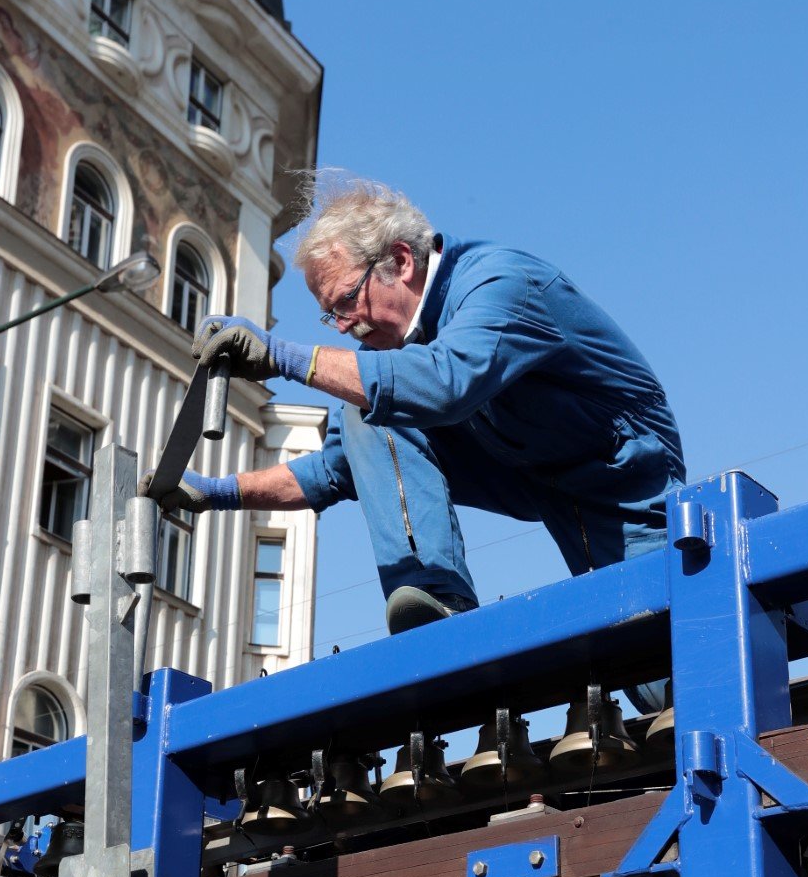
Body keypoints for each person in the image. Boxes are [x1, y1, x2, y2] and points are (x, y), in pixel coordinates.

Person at [146, 174, 684, 641]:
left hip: (624, 489)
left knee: (666, 666)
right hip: (547, 484)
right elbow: (336, 471)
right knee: (369, 406)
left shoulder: (501, 284)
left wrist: (283, 357)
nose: (344, 326)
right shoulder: (393, 354)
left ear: (401, 261)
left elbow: (444, 382)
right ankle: (434, 599)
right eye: (328, 316)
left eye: (344, 302)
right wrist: (215, 493)